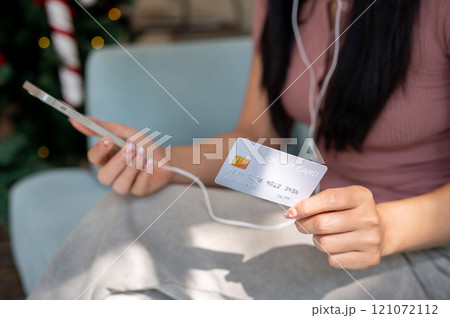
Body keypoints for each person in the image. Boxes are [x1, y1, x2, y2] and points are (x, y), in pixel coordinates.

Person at [30, 0, 450, 299]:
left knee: (128, 221)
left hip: (424, 249)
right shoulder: (285, 8)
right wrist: (163, 163)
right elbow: (259, 149)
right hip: (318, 223)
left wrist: (386, 227)